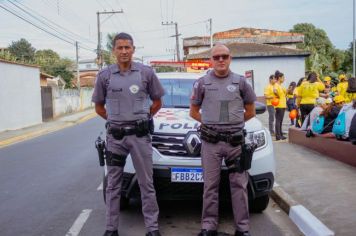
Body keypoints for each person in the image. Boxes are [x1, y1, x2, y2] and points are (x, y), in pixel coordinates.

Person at [92, 32, 164, 236]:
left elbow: (158, 102)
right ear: (114, 50)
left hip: (140, 137)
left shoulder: (146, 73)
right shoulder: (105, 76)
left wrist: (141, 118)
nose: (124, 51)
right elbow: (98, 107)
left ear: (133, 49)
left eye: (127, 47)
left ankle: (152, 228)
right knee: (113, 185)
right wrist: (116, 121)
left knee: (146, 184)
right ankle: (110, 229)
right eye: (120, 47)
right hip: (115, 138)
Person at [190, 43, 256, 236]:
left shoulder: (241, 82)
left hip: (235, 143)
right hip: (210, 143)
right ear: (210, 60)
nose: (220, 60)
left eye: (224, 56)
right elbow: (193, 111)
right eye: (216, 57)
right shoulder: (202, 83)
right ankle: (208, 226)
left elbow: (251, 111)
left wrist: (233, 123)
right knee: (210, 186)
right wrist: (211, 124)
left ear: (230, 58)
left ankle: (242, 228)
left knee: (239, 186)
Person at [273, 70, 287, 140]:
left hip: (282, 105)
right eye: (283, 77)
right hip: (279, 106)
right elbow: (275, 91)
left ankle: (280, 134)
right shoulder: (276, 85)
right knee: (278, 120)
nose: (284, 79)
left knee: (280, 121)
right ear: (279, 78)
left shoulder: (280, 86)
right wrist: (278, 95)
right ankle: (278, 136)